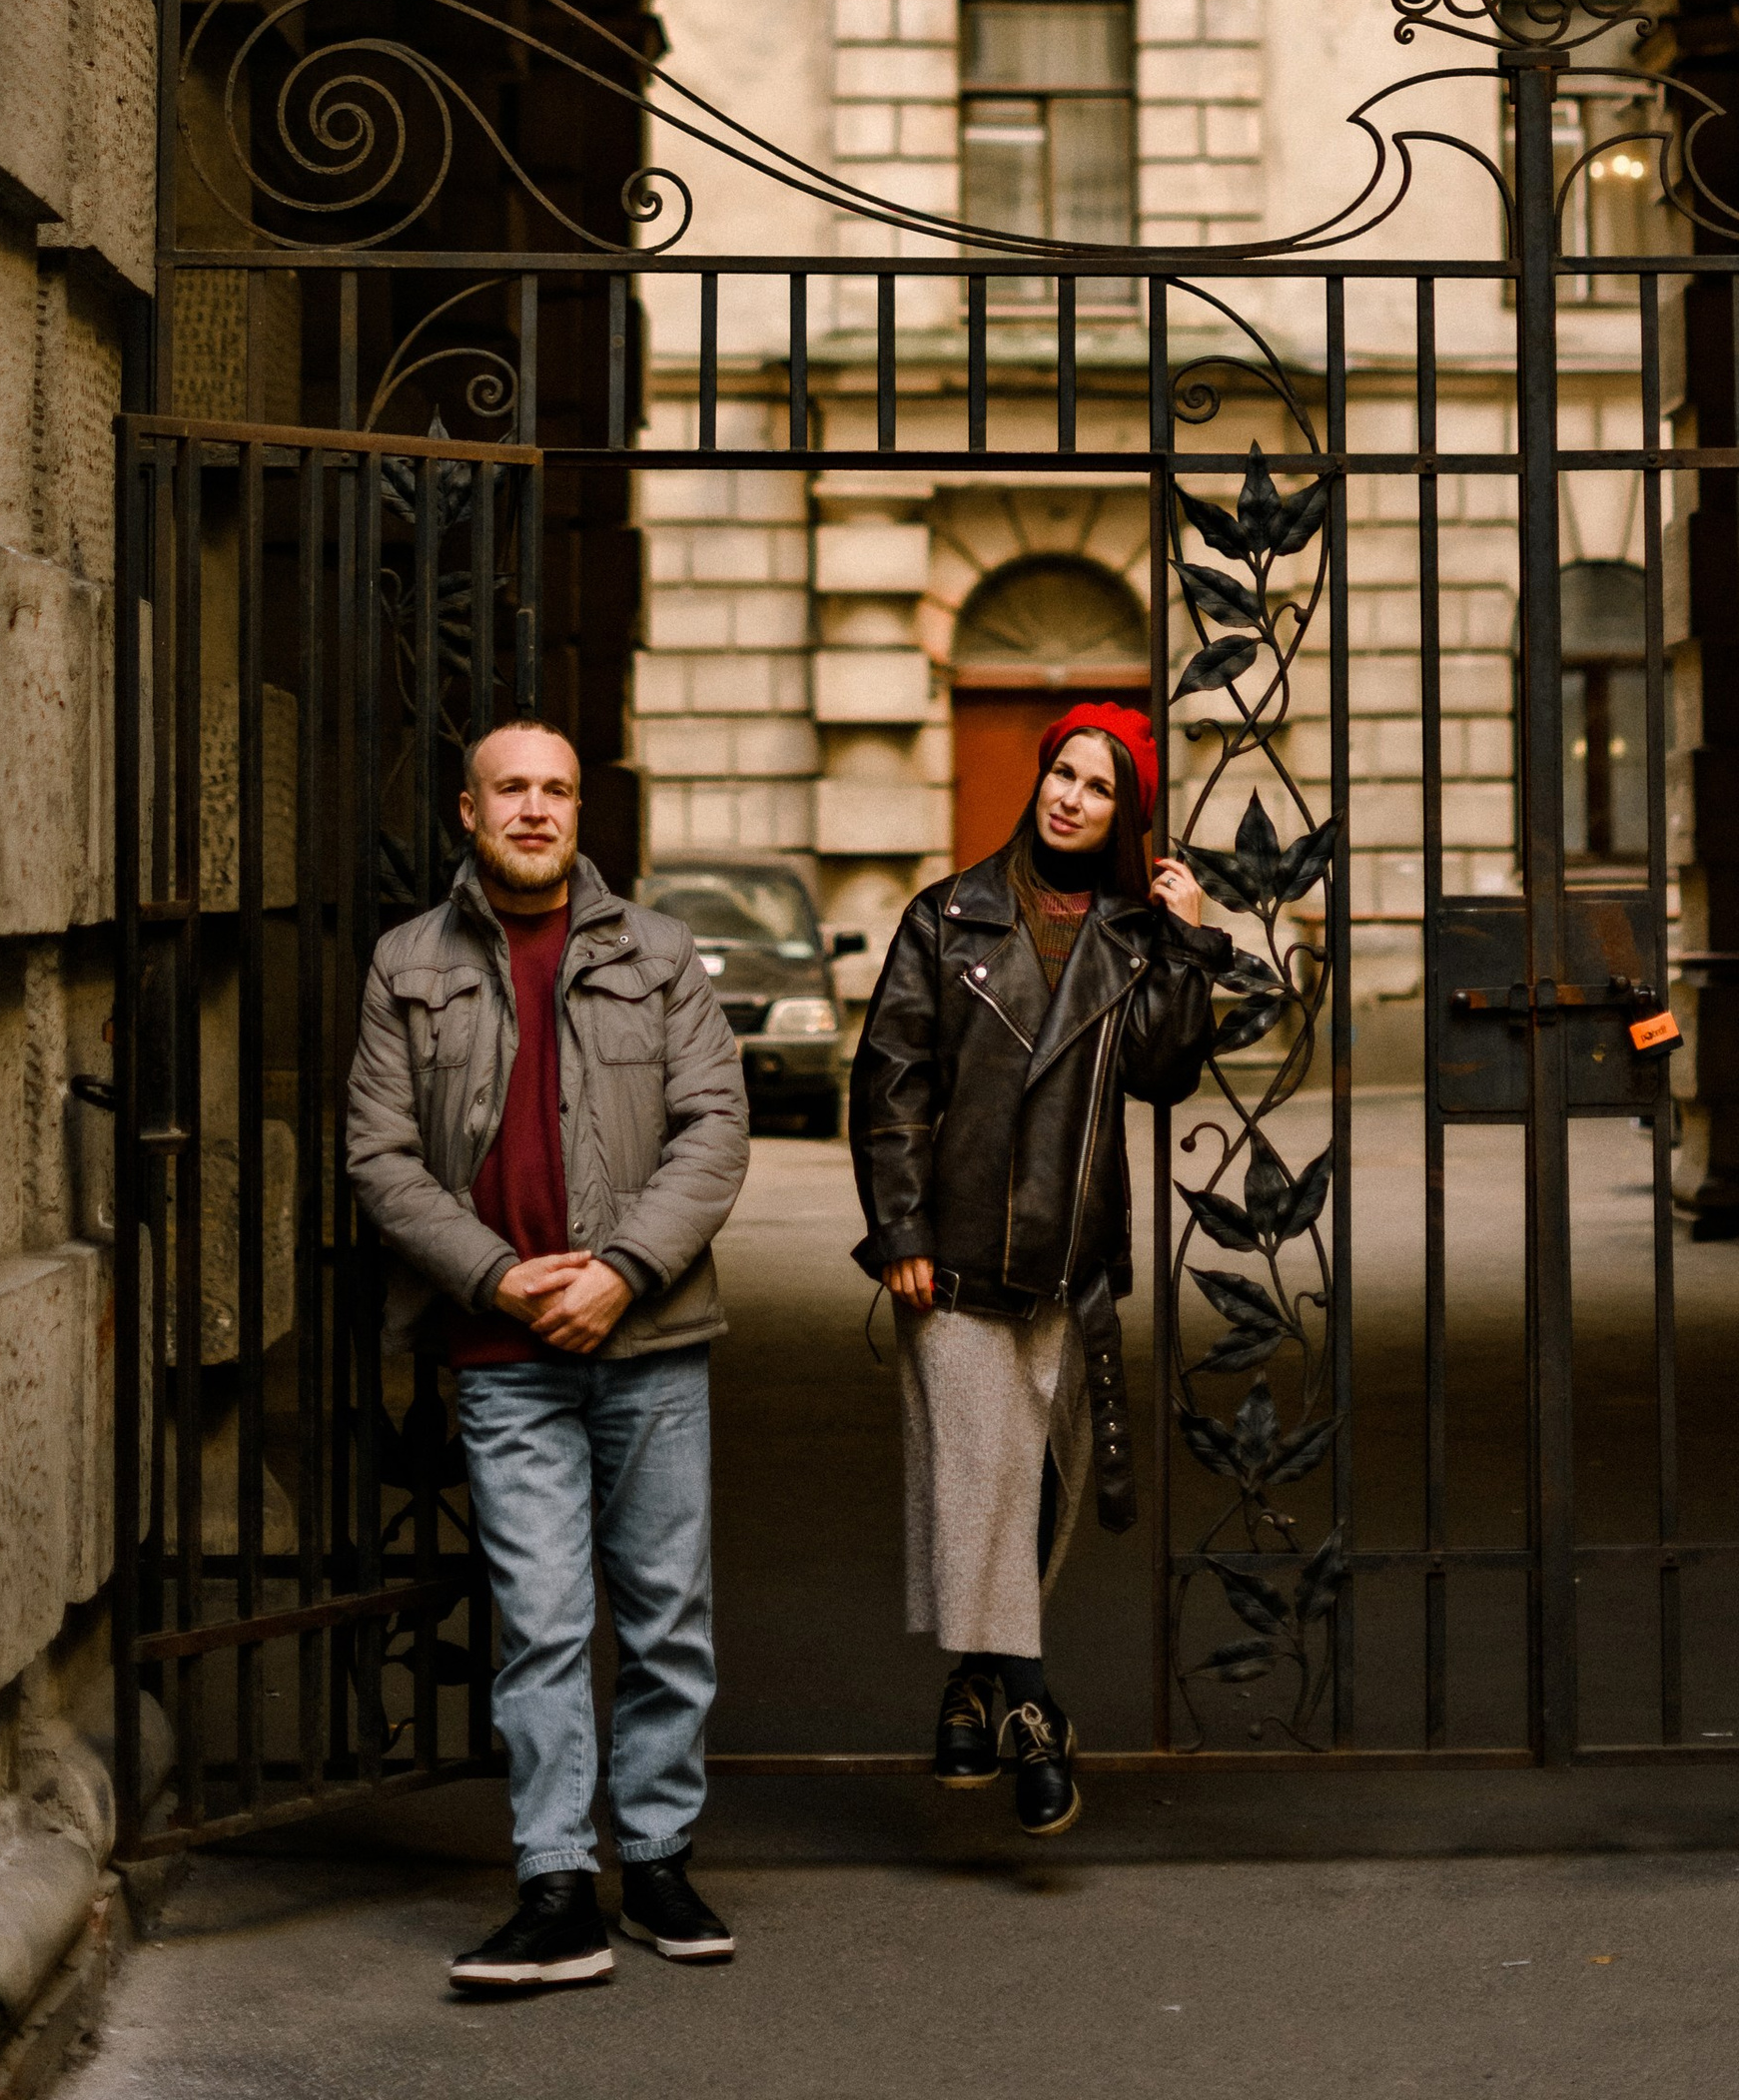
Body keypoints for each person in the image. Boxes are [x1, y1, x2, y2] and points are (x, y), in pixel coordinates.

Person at [345, 721, 749, 1992]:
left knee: (666, 1613)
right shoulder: (406, 963)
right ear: (468, 812)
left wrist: (621, 1273)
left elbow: (714, 1129)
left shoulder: (661, 953)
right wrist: (497, 1275)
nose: (535, 810)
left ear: (582, 812)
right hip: (500, 1345)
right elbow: (379, 1155)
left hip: (651, 1340)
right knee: (542, 1622)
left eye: (556, 791)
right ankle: (557, 1886)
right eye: (511, 790)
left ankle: (661, 1856)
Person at [848, 701, 1227, 1833]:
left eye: (1098, 786)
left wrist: (1189, 941)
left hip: (1072, 1261)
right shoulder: (947, 915)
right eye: (1061, 773)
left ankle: (966, 1692)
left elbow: (1162, 1073)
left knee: (1031, 1489)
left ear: (1126, 814)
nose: (1069, 797)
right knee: (986, 1472)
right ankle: (1030, 1709)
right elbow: (890, 1085)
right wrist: (900, 1233)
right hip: (954, 1258)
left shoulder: (1130, 932)